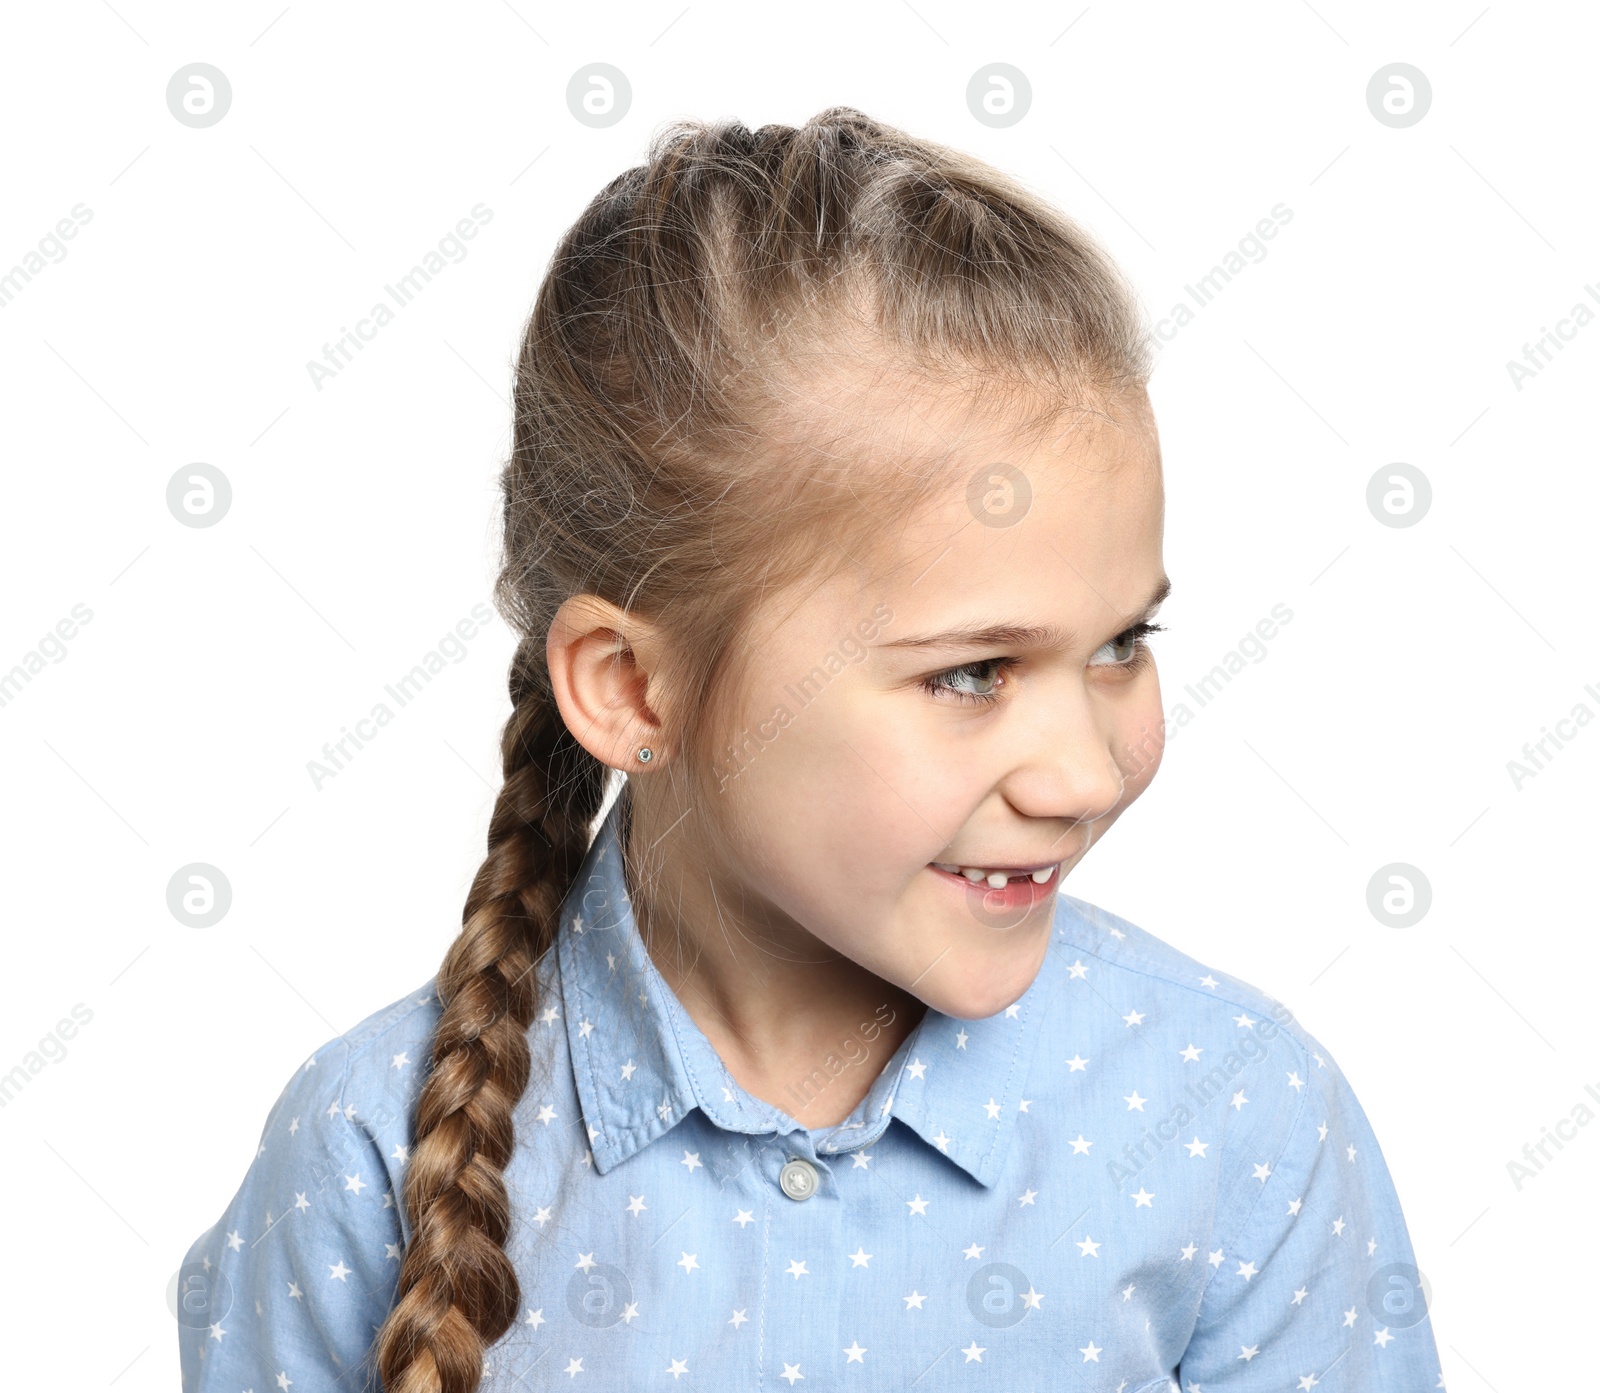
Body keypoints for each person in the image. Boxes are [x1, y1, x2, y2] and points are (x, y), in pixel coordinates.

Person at [175, 108, 1443, 1392]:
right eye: (968, 672)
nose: (1084, 774)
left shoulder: (1233, 1114)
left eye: (1121, 642)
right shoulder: (365, 1156)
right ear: (630, 688)